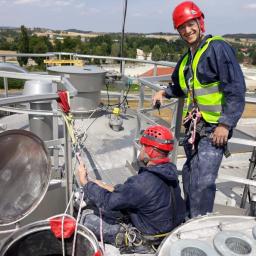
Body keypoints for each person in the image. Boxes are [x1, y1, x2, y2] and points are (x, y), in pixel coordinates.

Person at [153, 1, 246, 218]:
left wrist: (225, 124)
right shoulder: (187, 59)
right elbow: (179, 86)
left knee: (203, 180)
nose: (187, 30)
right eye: (182, 27)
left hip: (215, 129)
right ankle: (190, 217)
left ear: (199, 22)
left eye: (190, 24)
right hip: (195, 129)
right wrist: (163, 93)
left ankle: (199, 224)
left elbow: (235, 88)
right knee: (189, 174)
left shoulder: (217, 48)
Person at [77, 125, 186, 253]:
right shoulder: (168, 171)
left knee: (86, 219)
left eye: (142, 146)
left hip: (148, 241)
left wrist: (85, 182)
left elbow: (108, 202)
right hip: (168, 232)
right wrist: (100, 184)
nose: (140, 150)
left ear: (150, 151)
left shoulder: (143, 182)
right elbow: (132, 193)